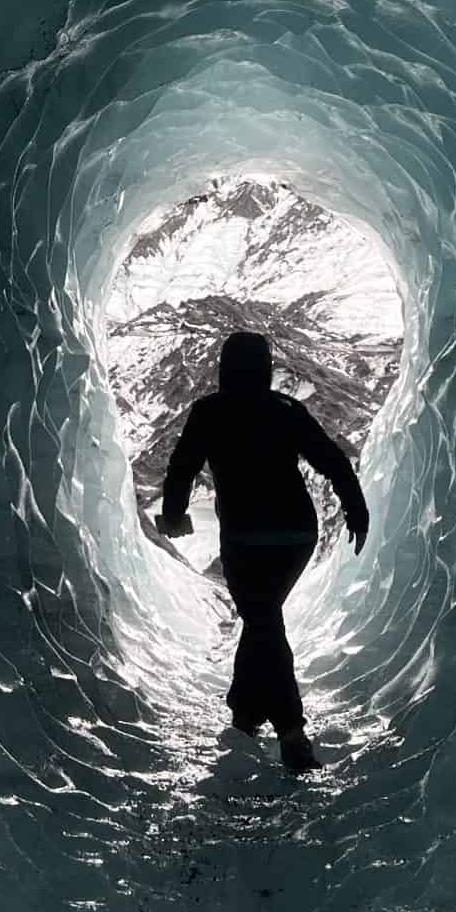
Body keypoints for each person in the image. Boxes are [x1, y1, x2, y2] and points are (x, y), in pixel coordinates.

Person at [153, 331, 368, 772]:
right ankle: (245, 712)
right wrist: (356, 511)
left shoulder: (209, 412)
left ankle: (291, 730)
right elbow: (332, 460)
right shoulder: (286, 410)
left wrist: (174, 516)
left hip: (244, 538)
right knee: (262, 617)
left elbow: (182, 467)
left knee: (262, 619)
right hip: (294, 537)